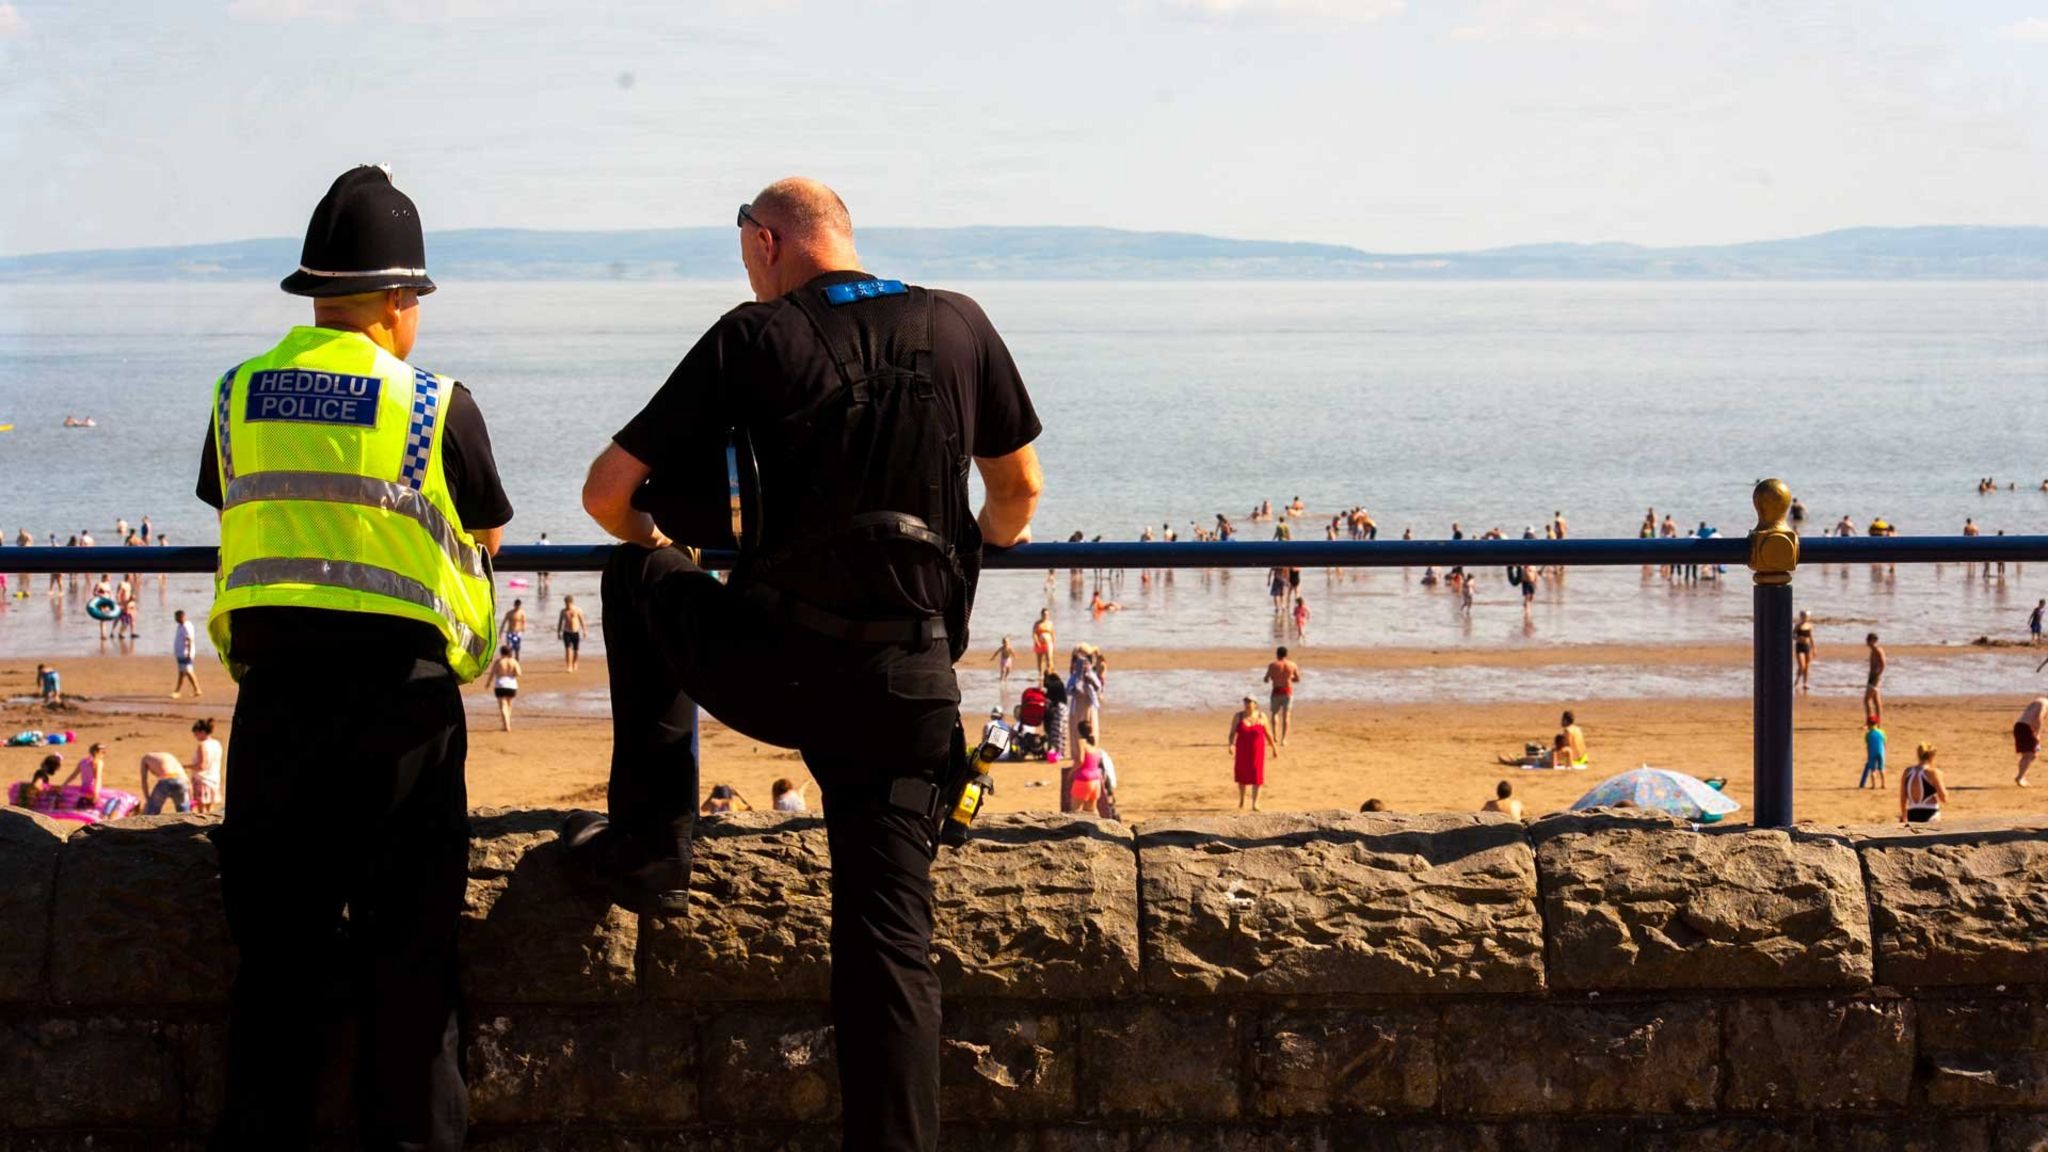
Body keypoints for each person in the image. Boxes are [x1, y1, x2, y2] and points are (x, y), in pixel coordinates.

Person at [561, 178, 1042, 1152]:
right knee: (888, 945)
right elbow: (1016, 492)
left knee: (633, 578)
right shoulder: (959, 323)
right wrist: (967, 551)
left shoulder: (750, 335)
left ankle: (653, 843)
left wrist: (671, 541)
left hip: (779, 671)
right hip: (908, 682)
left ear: (767, 240)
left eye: (744, 254)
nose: (747, 272)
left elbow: (605, 494)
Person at [195, 166, 511, 1150]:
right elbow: (487, 537)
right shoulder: (433, 405)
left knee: (275, 965)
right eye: (415, 297)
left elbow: (235, 503)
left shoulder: (235, 393)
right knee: (409, 964)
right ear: (393, 300)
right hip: (403, 710)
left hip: (278, 707)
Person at [1229, 696, 1277, 811]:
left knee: (1257, 777)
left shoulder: (1262, 716)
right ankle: (1242, 800)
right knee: (1242, 776)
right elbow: (1232, 733)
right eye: (1245, 701)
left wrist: (1274, 748)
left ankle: (1255, 803)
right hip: (1242, 751)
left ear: (1255, 703)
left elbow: (1268, 733)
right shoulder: (1238, 716)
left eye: (1250, 701)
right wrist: (1231, 744)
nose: (1247, 704)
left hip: (1257, 752)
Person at [1069, 719, 1109, 814]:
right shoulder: (1094, 745)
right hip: (1096, 780)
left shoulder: (1081, 742)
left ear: (1079, 731)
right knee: (1092, 810)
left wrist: (1071, 772)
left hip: (1084, 779)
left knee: (1075, 810)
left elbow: (1081, 760)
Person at [1901, 743, 1948, 824]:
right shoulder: (1933, 772)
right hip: (1930, 812)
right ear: (1932, 756)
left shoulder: (1907, 772)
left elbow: (1903, 798)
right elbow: (1943, 798)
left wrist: (1904, 816)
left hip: (1912, 813)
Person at [1263, 646, 1301, 747]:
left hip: (1276, 691)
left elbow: (1266, 679)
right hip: (1287, 691)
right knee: (1286, 715)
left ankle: (1275, 737)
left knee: (1274, 713)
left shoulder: (1272, 665)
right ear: (1286, 654)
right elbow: (1298, 679)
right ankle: (1283, 739)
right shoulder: (1292, 665)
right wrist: (1289, 679)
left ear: (1277, 654)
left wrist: (1272, 677)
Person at [190, 719, 224, 815]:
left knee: (201, 811)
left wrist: (185, 766)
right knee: (210, 809)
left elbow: (202, 766)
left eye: (196, 734)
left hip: (202, 780)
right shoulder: (216, 743)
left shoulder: (203, 745)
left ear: (202, 732)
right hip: (214, 779)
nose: (195, 736)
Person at [488, 645, 521, 732]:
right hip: (512, 686)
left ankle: (506, 725)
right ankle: (507, 723)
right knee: (509, 705)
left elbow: (492, 674)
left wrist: (488, 683)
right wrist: (511, 675)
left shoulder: (498, 662)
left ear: (501, 652)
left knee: (503, 705)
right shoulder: (513, 661)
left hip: (500, 685)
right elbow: (518, 673)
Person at [171, 608, 203, 698]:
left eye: (176, 617)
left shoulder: (186, 626)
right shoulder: (181, 625)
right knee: (182, 672)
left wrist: (189, 653)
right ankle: (178, 691)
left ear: (181, 617)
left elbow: (189, 640)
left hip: (185, 654)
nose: (175, 619)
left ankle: (197, 689)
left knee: (188, 671)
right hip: (181, 653)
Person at [2015, 697, 2046, 786]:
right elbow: (2039, 718)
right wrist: (2038, 734)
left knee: (2033, 754)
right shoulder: (2044, 704)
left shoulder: (2039, 700)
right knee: (2029, 754)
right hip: (2027, 727)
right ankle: (2020, 777)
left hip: (2020, 726)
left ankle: (2021, 776)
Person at [557, 595, 586, 673]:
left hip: (575, 632)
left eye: (568, 604)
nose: (566, 605)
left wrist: (584, 631)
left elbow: (582, 620)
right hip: (566, 632)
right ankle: (569, 666)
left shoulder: (577, 610)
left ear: (571, 603)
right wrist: (558, 632)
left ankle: (575, 663)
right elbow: (560, 622)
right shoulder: (563, 611)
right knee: (567, 650)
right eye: (565, 603)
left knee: (576, 651)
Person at [1864, 632, 1887, 721]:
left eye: (1868, 640)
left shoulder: (1878, 650)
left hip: (1875, 677)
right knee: (1876, 700)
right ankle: (1878, 722)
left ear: (1873, 641)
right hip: (1873, 676)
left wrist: (1877, 675)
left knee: (1867, 700)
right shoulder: (1873, 650)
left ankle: (1868, 721)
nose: (1867, 642)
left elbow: (1883, 663)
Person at [1861, 715, 1888, 790]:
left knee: (1873, 770)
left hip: (1872, 753)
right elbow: (1884, 742)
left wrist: (1868, 754)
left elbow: (1867, 744)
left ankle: (1873, 785)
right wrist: (1884, 751)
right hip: (1881, 752)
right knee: (1882, 769)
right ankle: (1883, 784)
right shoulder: (1881, 732)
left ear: (1869, 724)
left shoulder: (1868, 734)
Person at [1793, 610, 1815, 695]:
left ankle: (1805, 683)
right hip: (1799, 646)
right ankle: (1797, 680)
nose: (1804, 618)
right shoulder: (1798, 625)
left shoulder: (1810, 625)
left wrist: (1814, 647)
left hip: (1807, 646)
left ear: (1808, 617)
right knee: (1802, 666)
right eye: (1803, 616)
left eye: (1806, 616)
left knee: (1807, 666)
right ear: (1800, 617)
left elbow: (1811, 637)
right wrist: (1798, 638)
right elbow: (1793, 635)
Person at [1032, 609, 1055, 678]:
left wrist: (1053, 641)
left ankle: (1049, 673)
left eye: (1047, 614)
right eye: (1044, 614)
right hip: (1039, 643)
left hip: (1048, 643)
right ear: (1041, 615)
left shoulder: (1050, 623)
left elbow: (1053, 633)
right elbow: (1034, 634)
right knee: (1040, 660)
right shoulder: (1037, 623)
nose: (1046, 616)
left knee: (1049, 659)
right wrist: (1037, 642)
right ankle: (1041, 674)